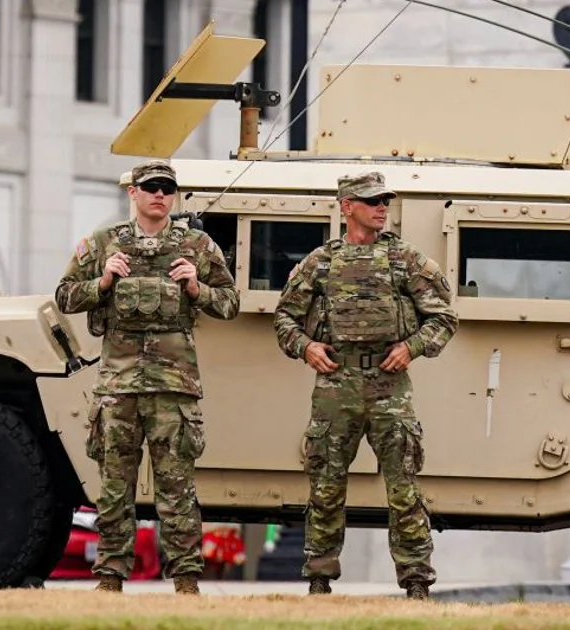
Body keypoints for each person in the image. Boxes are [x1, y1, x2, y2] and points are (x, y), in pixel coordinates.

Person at [55, 159, 240, 595]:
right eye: (151, 187)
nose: (160, 195)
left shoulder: (196, 245)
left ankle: (186, 581)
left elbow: (230, 303)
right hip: (118, 388)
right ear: (133, 193)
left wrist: (196, 287)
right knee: (114, 488)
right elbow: (64, 296)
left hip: (174, 390)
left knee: (177, 489)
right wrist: (102, 282)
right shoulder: (103, 243)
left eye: (167, 189)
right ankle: (110, 577)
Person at [273, 170, 459, 600]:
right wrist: (306, 347)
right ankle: (319, 579)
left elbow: (444, 317)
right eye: (372, 200)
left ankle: (417, 581)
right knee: (325, 484)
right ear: (347, 206)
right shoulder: (320, 262)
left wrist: (412, 347)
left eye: (384, 201)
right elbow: (284, 317)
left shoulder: (404, 259)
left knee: (403, 485)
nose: (381, 208)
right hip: (336, 384)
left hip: (388, 386)